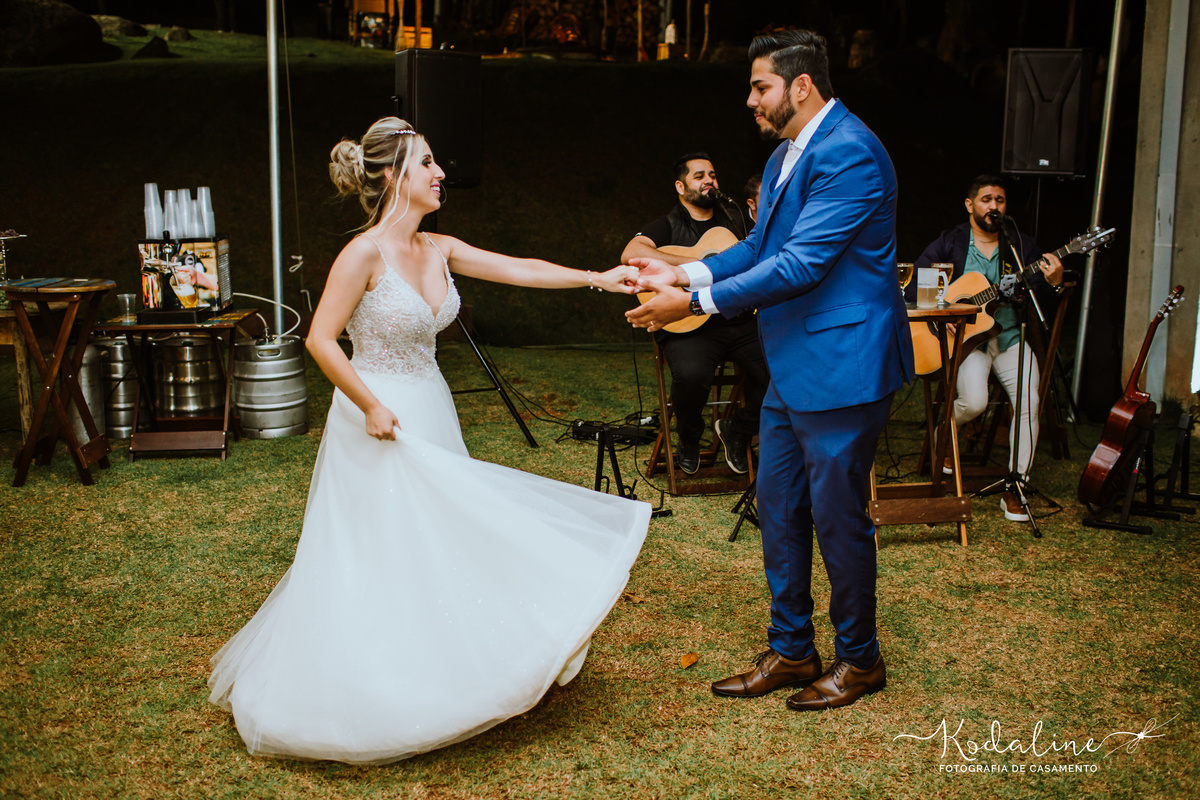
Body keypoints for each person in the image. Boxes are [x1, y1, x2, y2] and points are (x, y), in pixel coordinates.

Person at [208, 117, 651, 764]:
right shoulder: (361, 254)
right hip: (377, 417)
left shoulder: (438, 247)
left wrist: (597, 278)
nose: (440, 173)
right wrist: (370, 406)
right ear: (392, 176)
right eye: (427, 163)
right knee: (378, 550)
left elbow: (518, 269)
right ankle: (377, 685)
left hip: (430, 404)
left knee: (443, 536)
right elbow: (320, 341)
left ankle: (454, 661)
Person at [626, 30, 913, 711]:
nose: (750, 99)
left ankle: (860, 660)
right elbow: (759, 246)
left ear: (801, 85)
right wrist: (683, 267)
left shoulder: (850, 153)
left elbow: (800, 266)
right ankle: (792, 649)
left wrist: (689, 302)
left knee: (839, 518)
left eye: (760, 86)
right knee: (779, 507)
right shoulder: (789, 152)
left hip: (842, 365)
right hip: (790, 364)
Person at [911, 174, 1063, 522]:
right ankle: (942, 434)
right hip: (967, 344)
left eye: (1000, 200)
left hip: (1010, 338)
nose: (993, 206)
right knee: (975, 401)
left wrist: (1053, 283)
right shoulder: (950, 242)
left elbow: (1042, 294)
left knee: (1030, 401)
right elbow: (916, 280)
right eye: (986, 199)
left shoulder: (1020, 247)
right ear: (970, 205)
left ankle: (1017, 488)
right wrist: (944, 310)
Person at [621, 153, 768, 475]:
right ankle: (689, 440)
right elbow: (631, 253)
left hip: (738, 317)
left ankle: (738, 430)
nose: (709, 181)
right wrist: (689, 268)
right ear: (680, 185)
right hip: (689, 325)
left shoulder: (734, 220)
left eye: (713, 175)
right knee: (690, 375)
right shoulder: (667, 224)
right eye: (699, 175)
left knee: (781, 366)